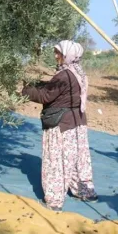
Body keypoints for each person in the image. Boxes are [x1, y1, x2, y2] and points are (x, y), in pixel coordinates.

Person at [21, 40, 97, 212]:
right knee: (77, 159)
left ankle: (54, 201)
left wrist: (25, 90)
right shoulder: (78, 72)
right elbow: (54, 88)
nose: (56, 56)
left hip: (61, 124)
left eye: (59, 53)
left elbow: (46, 96)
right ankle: (84, 192)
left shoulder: (64, 75)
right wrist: (36, 82)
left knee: (56, 161)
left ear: (68, 55)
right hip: (77, 123)